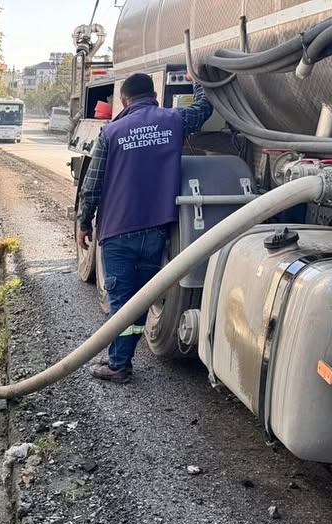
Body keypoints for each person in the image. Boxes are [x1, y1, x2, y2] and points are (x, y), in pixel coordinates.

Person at [77, 74, 213, 383]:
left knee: (121, 303)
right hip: (155, 232)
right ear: (154, 94)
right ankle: (119, 359)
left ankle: (118, 364)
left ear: (124, 101)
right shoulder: (174, 119)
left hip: (117, 232)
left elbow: (92, 185)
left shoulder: (111, 132)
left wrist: (84, 222)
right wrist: (198, 82)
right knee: (138, 301)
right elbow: (205, 109)